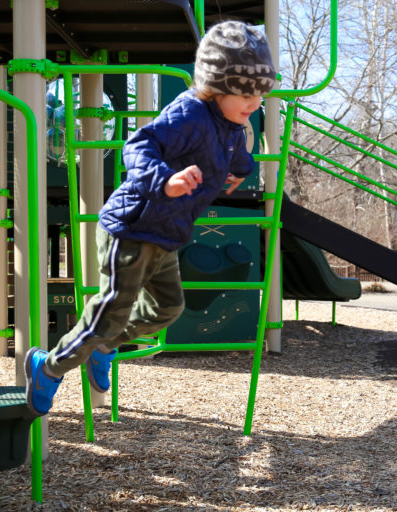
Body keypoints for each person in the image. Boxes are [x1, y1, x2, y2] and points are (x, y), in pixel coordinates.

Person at [25, 20, 277, 416]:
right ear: (216, 86)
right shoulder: (190, 113)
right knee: (108, 313)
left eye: (259, 96)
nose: (254, 105)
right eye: (245, 96)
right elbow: (138, 146)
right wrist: (167, 180)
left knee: (168, 309)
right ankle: (47, 367)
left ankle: (103, 347)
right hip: (131, 228)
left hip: (166, 237)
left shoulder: (231, 123)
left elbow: (236, 153)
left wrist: (241, 170)